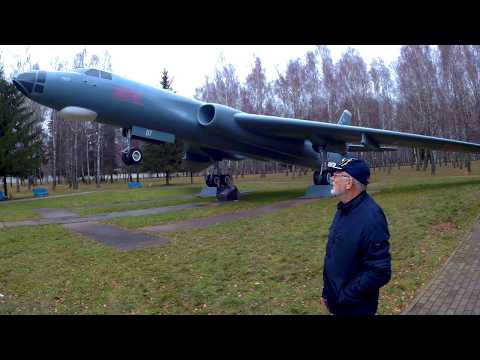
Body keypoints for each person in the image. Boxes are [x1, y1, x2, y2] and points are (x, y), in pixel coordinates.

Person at [321, 157, 391, 315]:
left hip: (356, 308)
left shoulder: (371, 218)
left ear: (349, 183)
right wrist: (327, 293)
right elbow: (333, 256)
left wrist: (344, 296)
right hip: (337, 303)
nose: (332, 178)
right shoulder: (343, 209)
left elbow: (380, 271)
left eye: (337, 174)